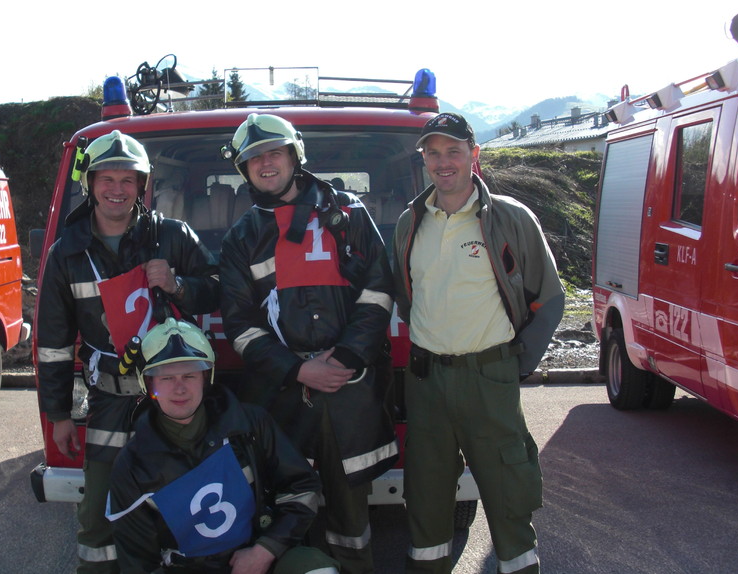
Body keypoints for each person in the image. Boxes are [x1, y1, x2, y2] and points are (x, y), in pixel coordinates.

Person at [218, 113, 398, 573]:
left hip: (347, 387)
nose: (265, 163)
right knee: (283, 505)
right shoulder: (243, 238)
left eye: (274, 152)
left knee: (349, 514)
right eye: (253, 158)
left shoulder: (349, 214)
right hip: (284, 394)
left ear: (295, 156)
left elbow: (379, 292)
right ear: (244, 171)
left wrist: (344, 358)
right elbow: (240, 325)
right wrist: (298, 369)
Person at [34, 130, 220, 574]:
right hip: (111, 403)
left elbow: (218, 292)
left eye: (128, 180)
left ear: (142, 186)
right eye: (107, 179)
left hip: (177, 403)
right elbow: (54, 344)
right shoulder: (67, 254)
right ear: (91, 184)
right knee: (98, 517)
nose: (117, 189)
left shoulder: (173, 236)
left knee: (192, 511)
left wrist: (177, 285)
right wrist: (58, 414)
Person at [391, 112, 564, 574]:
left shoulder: (509, 218)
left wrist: (515, 364)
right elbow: (408, 299)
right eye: (433, 153)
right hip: (426, 382)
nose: (443, 162)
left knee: (508, 492)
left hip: (490, 377)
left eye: (453, 151)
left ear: (474, 155)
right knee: (426, 497)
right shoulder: (410, 224)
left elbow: (549, 297)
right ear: (423, 159)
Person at [107, 318, 340, 574]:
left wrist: (265, 550)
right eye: (166, 378)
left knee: (314, 568)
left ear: (206, 378)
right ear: (147, 385)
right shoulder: (132, 465)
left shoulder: (250, 425)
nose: (180, 388)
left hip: (257, 563)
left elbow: (303, 488)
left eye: (190, 375)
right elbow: (138, 564)